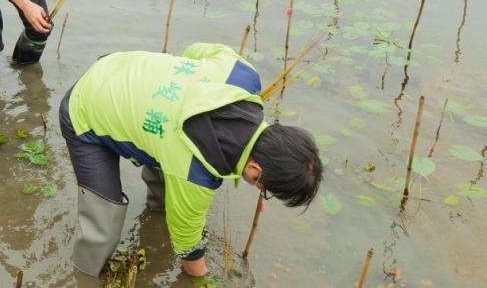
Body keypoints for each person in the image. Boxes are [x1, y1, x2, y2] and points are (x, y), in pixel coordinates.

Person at [59, 43, 323, 277]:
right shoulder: (198, 174)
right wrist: (200, 279)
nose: (261, 191)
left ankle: (157, 208)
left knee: (170, 156)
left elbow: (196, 51)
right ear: (255, 168)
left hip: (118, 65)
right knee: (103, 223)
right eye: (264, 189)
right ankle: (84, 274)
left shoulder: (242, 75)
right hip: (85, 108)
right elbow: (187, 244)